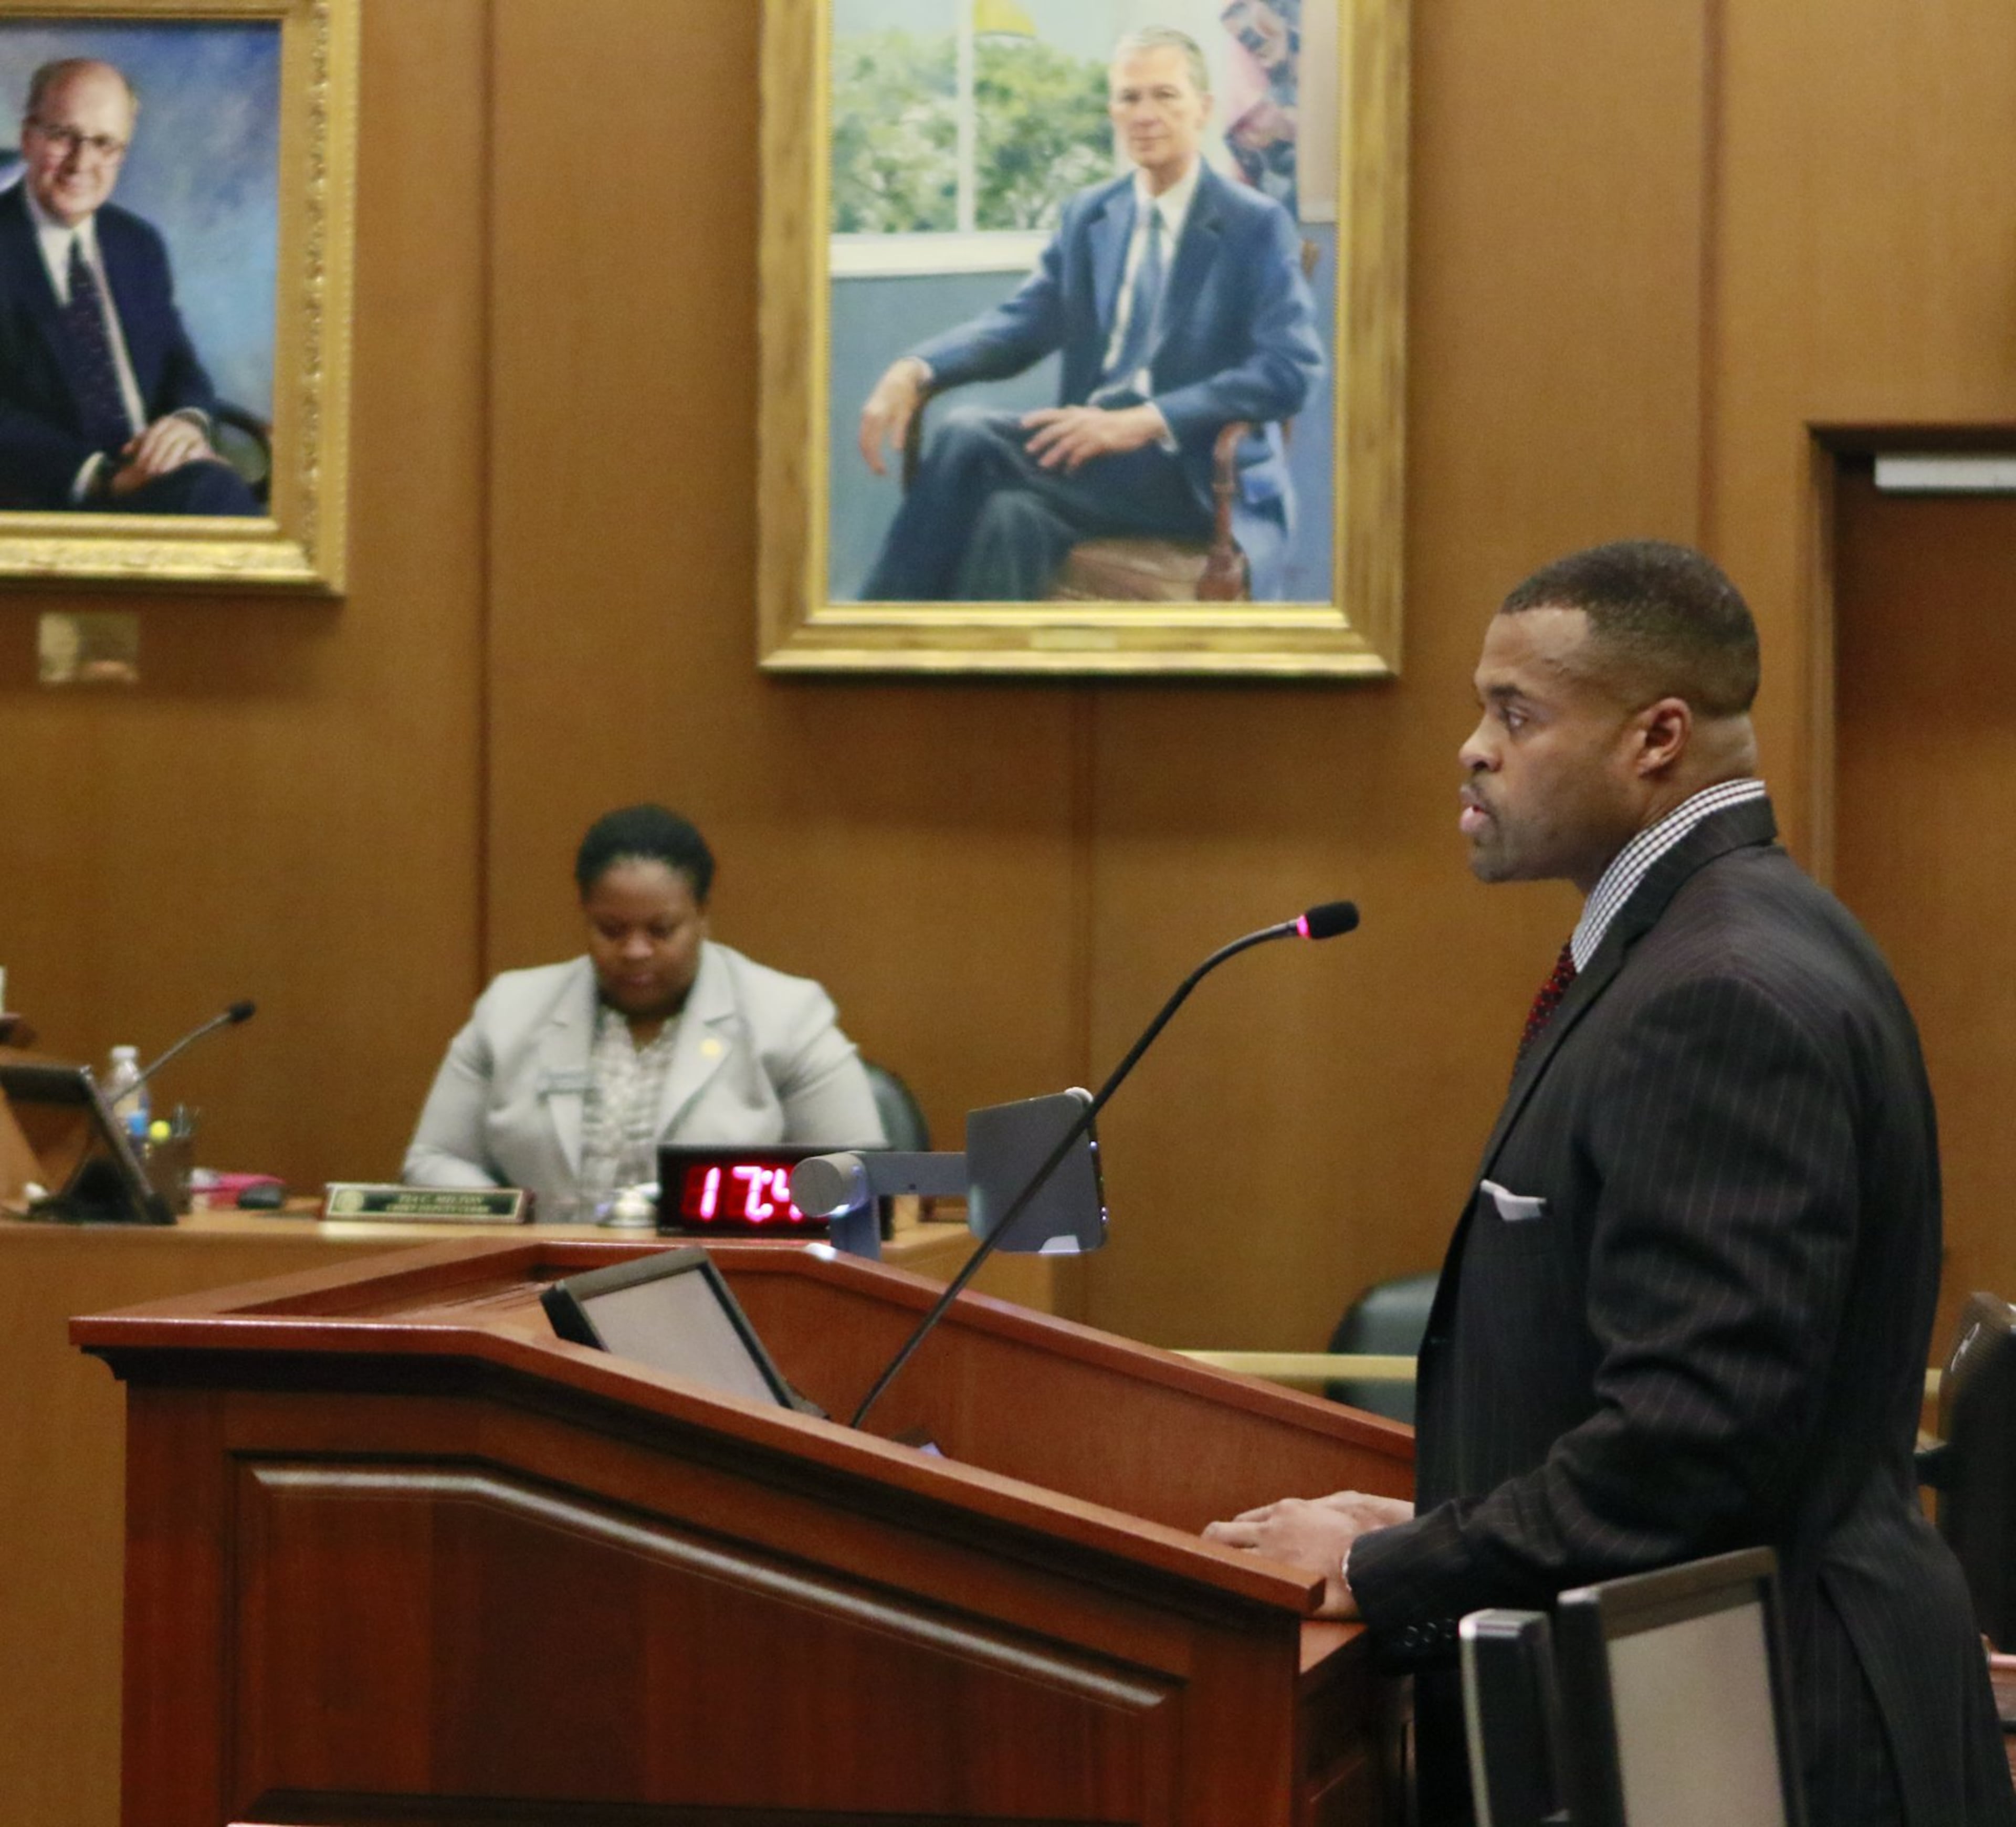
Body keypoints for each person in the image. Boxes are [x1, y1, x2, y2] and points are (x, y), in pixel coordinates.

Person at [1204, 542, 2016, 1826]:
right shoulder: (1709, 941)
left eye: (1516, 715)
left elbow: (1693, 1447)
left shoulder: (1717, 993)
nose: (1473, 750)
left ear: (1657, 738)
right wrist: (1435, 1519)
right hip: (1722, 1689)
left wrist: (1388, 1566)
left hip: (1774, 1728)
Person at [854, 26, 1323, 603]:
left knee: (968, 434)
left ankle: (879, 622)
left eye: (1165, 95)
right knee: (1011, 519)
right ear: (1112, 112)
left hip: (1195, 476)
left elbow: (1291, 371)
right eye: (1129, 98)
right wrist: (917, 367)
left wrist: (1145, 420)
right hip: (1092, 459)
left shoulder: (1254, 224)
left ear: (1202, 108)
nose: (1145, 115)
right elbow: (1023, 323)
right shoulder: (1092, 215)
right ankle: (970, 661)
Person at [404, 805, 886, 1220]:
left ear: (702, 916)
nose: (635, 951)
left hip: (729, 1279)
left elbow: (859, 1175)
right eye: (611, 930)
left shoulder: (788, 1016)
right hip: (534, 1276)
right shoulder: (510, 1009)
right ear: (585, 914)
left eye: (662, 930)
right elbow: (433, 1159)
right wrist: (514, 1217)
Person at [0, 57, 259, 514]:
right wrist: (103, 477)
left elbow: (180, 365)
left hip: (161, 477)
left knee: (213, 494)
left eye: (104, 143)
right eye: (63, 135)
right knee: (217, 498)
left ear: (122, 153)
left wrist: (187, 424)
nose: (82, 163)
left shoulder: (136, 244)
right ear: (29, 138)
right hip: (53, 496)